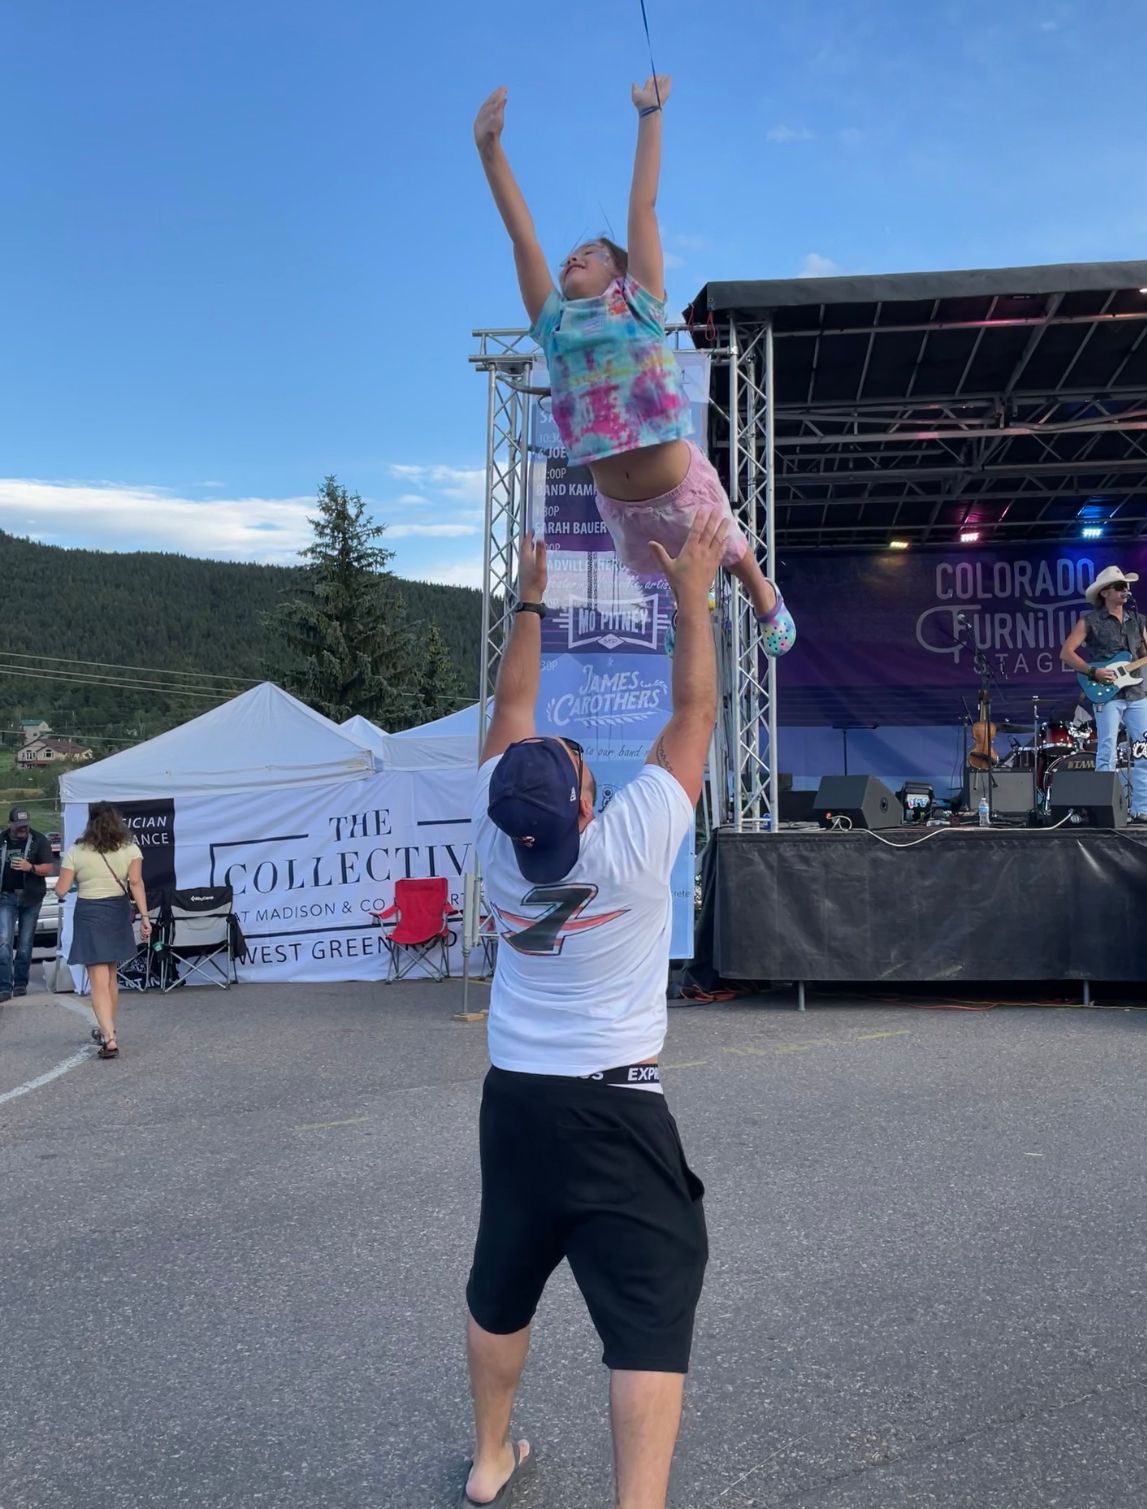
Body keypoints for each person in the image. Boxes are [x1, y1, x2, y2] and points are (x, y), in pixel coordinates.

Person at [460, 516, 725, 1509]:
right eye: (575, 770)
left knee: (503, 1278)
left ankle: (490, 1463)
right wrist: (692, 587)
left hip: (517, 1101)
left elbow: (514, 703)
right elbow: (693, 711)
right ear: (582, 807)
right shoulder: (627, 846)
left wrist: (530, 596)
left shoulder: (495, 843)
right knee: (652, 1305)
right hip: (614, 1106)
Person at [473, 78, 796, 659]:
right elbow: (523, 240)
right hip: (620, 506)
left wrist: (650, 113)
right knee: (670, 570)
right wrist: (491, 152)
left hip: (677, 482)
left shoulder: (638, 303)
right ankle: (688, 606)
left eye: (591, 254)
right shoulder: (555, 325)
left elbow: (642, 205)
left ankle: (762, 593)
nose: (574, 257)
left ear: (619, 274)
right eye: (573, 253)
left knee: (726, 545)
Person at [56, 802, 151, 1058]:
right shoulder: (130, 848)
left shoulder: (77, 850)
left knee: (98, 979)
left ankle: (108, 1038)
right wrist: (145, 917)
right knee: (110, 976)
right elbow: (136, 883)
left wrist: (77, 878)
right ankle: (109, 1028)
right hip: (118, 911)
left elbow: (61, 890)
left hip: (90, 913)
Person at [1060, 564, 1147, 823]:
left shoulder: (1138, 620)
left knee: (1143, 749)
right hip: (1107, 694)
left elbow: (1143, 654)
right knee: (1106, 750)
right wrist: (1092, 672)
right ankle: (1105, 809)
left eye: (1126, 587)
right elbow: (1066, 653)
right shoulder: (1090, 621)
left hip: (1138, 692)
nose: (1125, 590)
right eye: (1120, 587)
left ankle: (1141, 809)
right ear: (1105, 592)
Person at [0, 806, 56, 1003]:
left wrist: (30, 867)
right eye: (19, 826)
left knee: (25, 943)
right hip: (5, 896)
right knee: (4, 941)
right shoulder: (2, 839)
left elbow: (48, 868)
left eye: (25, 825)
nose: (23, 829)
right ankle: (4, 986)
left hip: (31, 897)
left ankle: (20, 983)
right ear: (11, 824)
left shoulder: (39, 840)